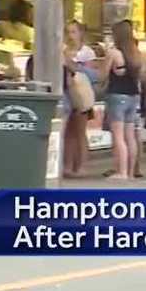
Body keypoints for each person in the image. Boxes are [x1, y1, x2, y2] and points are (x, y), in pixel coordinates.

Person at [103, 20, 142, 180]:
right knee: (130, 136)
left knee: (118, 137)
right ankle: (131, 172)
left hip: (117, 95)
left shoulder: (114, 53)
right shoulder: (136, 53)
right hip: (133, 96)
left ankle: (122, 172)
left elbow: (102, 75)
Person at [62, 21, 99, 178]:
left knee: (79, 132)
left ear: (80, 33)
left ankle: (82, 165)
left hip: (81, 93)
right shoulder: (63, 50)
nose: (70, 36)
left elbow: (91, 75)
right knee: (69, 132)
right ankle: (68, 165)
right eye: (68, 32)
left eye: (74, 32)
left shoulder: (86, 52)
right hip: (66, 93)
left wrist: (71, 64)